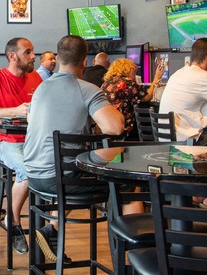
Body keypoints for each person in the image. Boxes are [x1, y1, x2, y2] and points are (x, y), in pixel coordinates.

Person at [24, 35, 125, 263]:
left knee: (72, 175)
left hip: (33, 175)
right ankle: (131, 257)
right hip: (59, 178)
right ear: (85, 61)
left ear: (58, 59)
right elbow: (116, 126)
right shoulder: (86, 89)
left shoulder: (40, 88)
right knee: (126, 186)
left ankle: (52, 228)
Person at [0, 37, 43, 254]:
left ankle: (50, 230)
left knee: (63, 170)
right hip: (6, 141)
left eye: (33, 51)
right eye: (28, 52)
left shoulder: (36, 79)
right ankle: (13, 222)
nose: (34, 56)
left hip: (35, 140)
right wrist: (16, 110)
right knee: (28, 170)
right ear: (12, 56)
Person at [101, 58, 164, 137]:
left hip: (107, 125)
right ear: (127, 70)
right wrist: (156, 78)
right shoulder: (126, 82)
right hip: (124, 126)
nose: (134, 75)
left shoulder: (106, 83)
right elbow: (147, 97)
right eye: (133, 71)